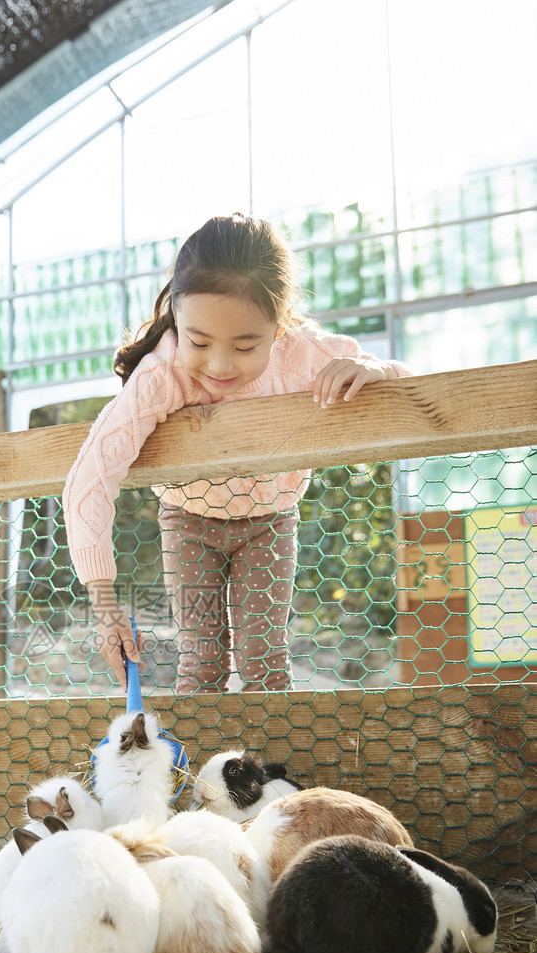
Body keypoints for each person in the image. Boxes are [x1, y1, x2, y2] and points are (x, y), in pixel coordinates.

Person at [61, 213, 411, 694]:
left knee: (264, 662)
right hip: (188, 521)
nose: (220, 364)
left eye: (246, 345)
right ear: (177, 316)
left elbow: (407, 378)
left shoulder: (302, 353)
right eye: (199, 341)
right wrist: (104, 605)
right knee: (200, 663)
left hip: (270, 519)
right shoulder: (161, 376)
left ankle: (266, 768)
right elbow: (89, 479)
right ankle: (202, 766)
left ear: (279, 323)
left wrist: (375, 370)